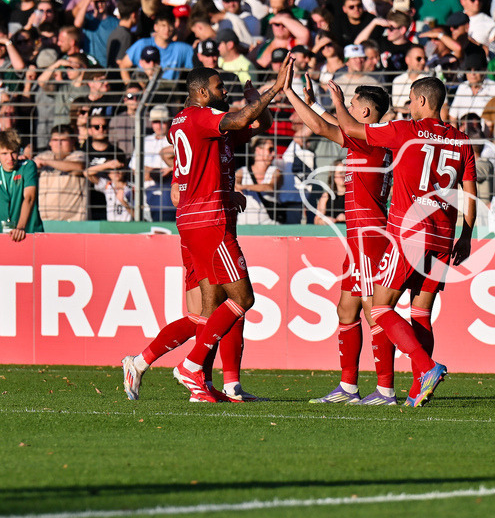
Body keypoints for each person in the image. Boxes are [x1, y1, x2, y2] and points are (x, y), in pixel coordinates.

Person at [326, 76, 476, 407]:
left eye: (410, 100)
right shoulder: (463, 142)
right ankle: (416, 391)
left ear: (422, 101)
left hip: (410, 233)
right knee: (421, 312)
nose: (408, 106)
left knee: (380, 307)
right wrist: (465, 236)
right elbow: (470, 194)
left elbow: (353, 129)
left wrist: (337, 100)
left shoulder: (404, 131)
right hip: (444, 235)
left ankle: (426, 368)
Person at [162, 58, 293, 403]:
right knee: (242, 299)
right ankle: (189, 366)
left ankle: (204, 384)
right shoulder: (203, 118)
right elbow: (240, 118)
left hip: (198, 219)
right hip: (208, 220)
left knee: (212, 306)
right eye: (220, 87)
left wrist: (256, 97)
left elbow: (256, 122)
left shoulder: (198, 125)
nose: (226, 92)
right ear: (202, 92)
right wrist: (275, 89)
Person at [284, 77, 397, 405]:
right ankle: (348, 387)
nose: (346, 110)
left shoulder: (370, 142)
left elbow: (323, 127)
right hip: (359, 237)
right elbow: (332, 123)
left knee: (373, 310)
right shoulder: (368, 139)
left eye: (351, 106)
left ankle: (386, 390)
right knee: (346, 310)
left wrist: (288, 92)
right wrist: (316, 101)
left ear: (365, 111)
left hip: (368, 235)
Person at [0, 128, 42, 241]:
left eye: (13, 152)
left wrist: (20, 227)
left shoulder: (27, 166)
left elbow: (29, 197)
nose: (10, 158)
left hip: (27, 232)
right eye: (4, 153)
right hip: (3, 236)